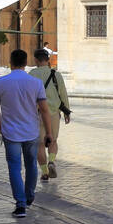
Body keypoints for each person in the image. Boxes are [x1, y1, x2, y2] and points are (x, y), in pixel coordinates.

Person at [0, 49, 53, 217]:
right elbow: (45, 110)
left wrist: (0, 126)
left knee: (14, 167)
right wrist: (49, 132)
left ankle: (20, 203)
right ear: (26, 63)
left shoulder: (1, 82)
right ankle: (29, 195)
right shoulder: (35, 83)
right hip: (31, 131)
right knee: (31, 164)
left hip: (10, 131)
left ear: (10, 62)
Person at [29, 48, 70, 180]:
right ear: (48, 60)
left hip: (37, 113)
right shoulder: (56, 74)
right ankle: (51, 160)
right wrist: (66, 112)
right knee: (53, 140)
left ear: (36, 60)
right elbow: (63, 93)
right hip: (53, 112)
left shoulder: (32, 74)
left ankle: (45, 171)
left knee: (40, 143)